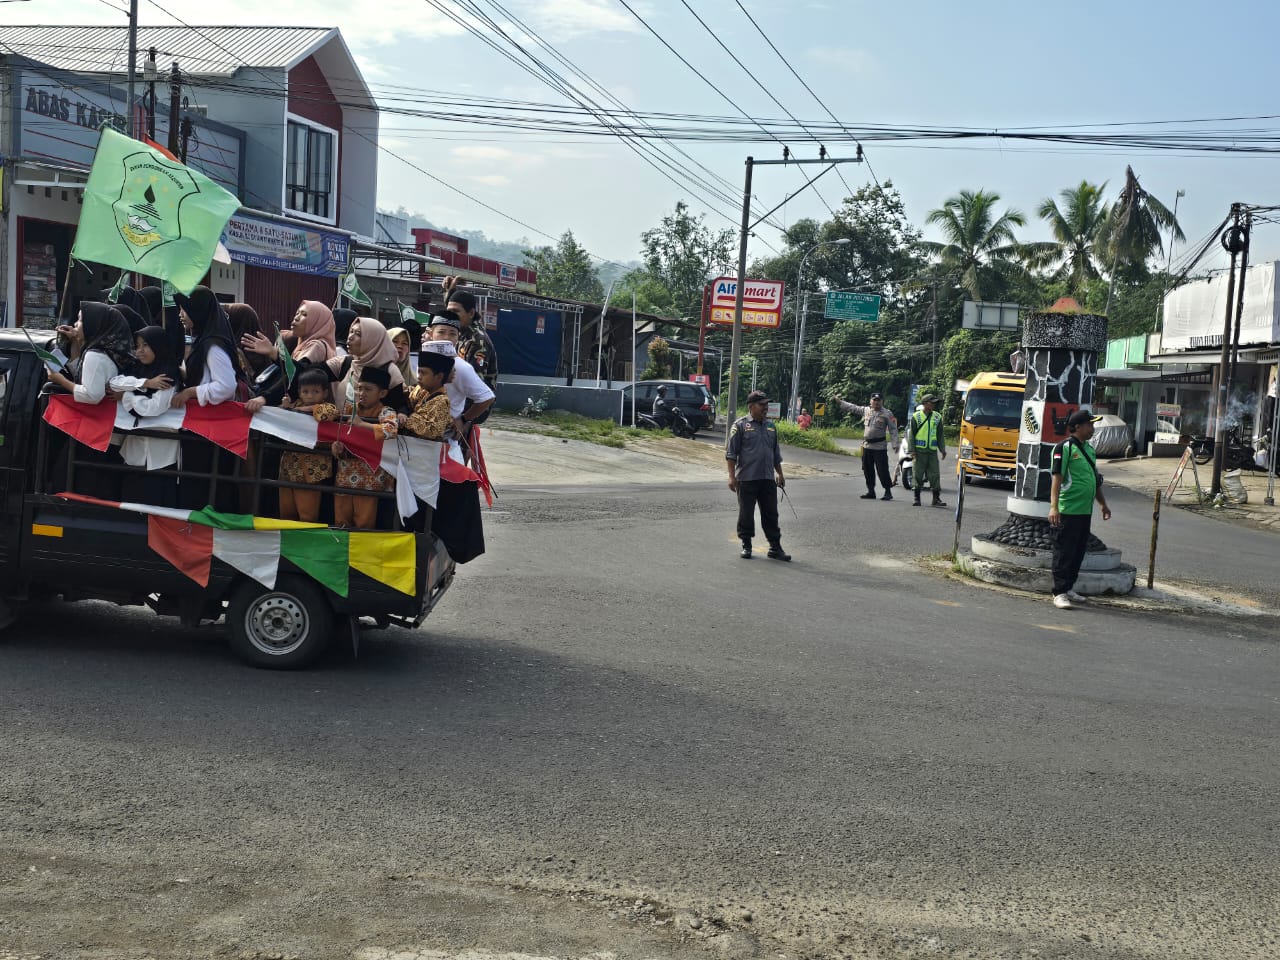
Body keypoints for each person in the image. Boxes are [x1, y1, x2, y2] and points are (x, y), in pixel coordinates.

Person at [47, 302, 134, 499]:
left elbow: (91, 395)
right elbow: (85, 376)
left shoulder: (96, 354)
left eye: (80, 320)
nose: (76, 324)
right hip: (104, 432)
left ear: (95, 324)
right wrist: (76, 343)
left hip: (94, 433)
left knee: (72, 479)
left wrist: (60, 380)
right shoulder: (104, 349)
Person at [111, 325, 181, 505]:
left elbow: (154, 408)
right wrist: (146, 383)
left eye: (146, 346)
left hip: (160, 454)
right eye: (137, 345)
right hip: (134, 450)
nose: (140, 351)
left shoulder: (168, 373)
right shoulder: (137, 368)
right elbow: (115, 383)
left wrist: (126, 397)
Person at [1049, 410, 1111, 610]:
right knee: (1064, 552)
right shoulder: (1064, 448)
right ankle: (1059, 592)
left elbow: (1094, 479)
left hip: (1085, 511)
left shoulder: (1089, 449)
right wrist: (1053, 507)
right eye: (1089, 425)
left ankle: (1068, 587)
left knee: (1077, 552)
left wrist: (1102, 503)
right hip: (1067, 510)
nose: (1092, 429)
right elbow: (1057, 479)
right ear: (1077, 427)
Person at [725, 390, 790, 561]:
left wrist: (780, 474)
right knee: (746, 513)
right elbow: (731, 454)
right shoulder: (740, 426)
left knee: (771, 514)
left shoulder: (771, 427)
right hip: (746, 478)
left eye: (766, 405)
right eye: (762, 405)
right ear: (751, 407)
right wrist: (731, 477)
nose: (765, 408)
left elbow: (775, 454)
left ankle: (775, 547)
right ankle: (746, 545)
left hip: (767, 478)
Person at [331, 366, 398, 530]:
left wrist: (362, 424)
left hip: (370, 481)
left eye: (368, 389)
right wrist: (337, 448)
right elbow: (341, 436)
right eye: (359, 388)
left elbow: (391, 430)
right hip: (345, 477)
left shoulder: (386, 411)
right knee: (340, 522)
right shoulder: (349, 410)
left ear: (382, 393)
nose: (362, 393)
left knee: (364, 525)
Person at [277, 366, 340, 523]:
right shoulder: (294, 405)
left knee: (307, 516)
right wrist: (285, 408)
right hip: (288, 467)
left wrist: (296, 410)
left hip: (311, 471)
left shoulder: (328, 407)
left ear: (325, 393)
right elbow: (277, 419)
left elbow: (325, 414)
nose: (310, 396)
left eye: (315, 391)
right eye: (305, 392)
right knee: (286, 514)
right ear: (299, 392)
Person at [427, 311, 496, 443]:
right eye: (441, 332)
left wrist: (464, 419)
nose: (446, 337)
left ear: (458, 337)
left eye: (452, 333)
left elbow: (487, 397)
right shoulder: (418, 360)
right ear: (431, 334)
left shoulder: (460, 367)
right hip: (414, 439)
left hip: (444, 441)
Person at [329, 317, 408, 415]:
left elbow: (400, 406)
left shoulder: (389, 370)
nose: (350, 337)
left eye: (358, 334)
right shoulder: (345, 362)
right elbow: (315, 374)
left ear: (373, 340)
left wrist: (401, 413)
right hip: (339, 427)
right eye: (351, 331)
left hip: (370, 428)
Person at [834, 391, 899, 501]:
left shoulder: (887, 413)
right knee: (868, 470)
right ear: (871, 401)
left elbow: (893, 429)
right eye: (874, 400)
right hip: (867, 446)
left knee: (882, 470)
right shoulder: (866, 410)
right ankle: (871, 491)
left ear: (882, 402)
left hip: (879, 447)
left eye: (879, 400)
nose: (876, 402)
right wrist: (840, 402)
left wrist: (895, 443)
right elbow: (853, 408)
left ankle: (888, 491)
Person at [241, 300, 337, 371]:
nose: (296, 318)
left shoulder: (317, 345)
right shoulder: (302, 344)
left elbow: (298, 371)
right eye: (297, 313)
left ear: (317, 322)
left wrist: (273, 352)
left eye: (304, 315)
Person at [442, 277, 498, 389]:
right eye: (449, 312)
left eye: (455, 312)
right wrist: (449, 292)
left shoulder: (477, 341)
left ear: (471, 313)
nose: (451, 316)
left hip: (473, 404)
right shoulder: (461, 331)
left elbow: (474, 385)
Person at [401, 349, 454, 442]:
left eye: (423, 373)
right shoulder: (423, 390)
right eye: (419, 372)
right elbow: (410, 397)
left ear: (439, 377)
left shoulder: (442, 401)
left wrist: (406, 417)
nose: (419, 376)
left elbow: (432, 431)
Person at [908, 393, 947, 507]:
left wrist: (942, 449)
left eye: (934, 403)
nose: (934, 405)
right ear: (925, 404)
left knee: (935, 475)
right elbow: (912, 435)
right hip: (919, 452)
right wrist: (912, 450)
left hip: (932, 452)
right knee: (918, 475)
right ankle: (917, 498)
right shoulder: (916, 417)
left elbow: (940, 435)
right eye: (932, 402)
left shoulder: (937, 416)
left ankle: (936, 499)